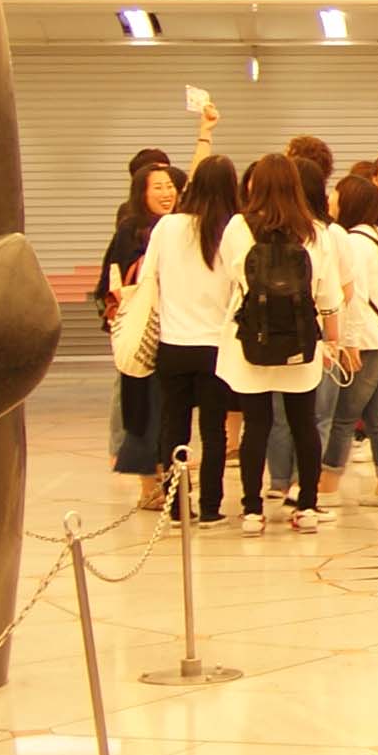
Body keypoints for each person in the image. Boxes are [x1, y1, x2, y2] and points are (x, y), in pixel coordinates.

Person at [223, 152, 341, 535]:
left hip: (252, 341)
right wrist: (333, 339)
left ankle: (252, 511)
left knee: (256, 425)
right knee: (304, 423)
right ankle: (306, 506)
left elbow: (231, 277)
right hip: (300, 341)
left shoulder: (239, 226)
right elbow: (328, 294)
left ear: (255, 184)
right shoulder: (315, 230)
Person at [136, 153, 241, 525]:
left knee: (173, 425)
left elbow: (147, 277)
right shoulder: (232, 229)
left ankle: (177, 505)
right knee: (213, 431)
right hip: (216, 346)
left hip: (173, 342)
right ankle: (211, 507)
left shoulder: (168, 226)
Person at [263, 154, 355, 518]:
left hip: (275, 335)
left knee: (279, 414)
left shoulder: (269, 230)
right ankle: (302, 485)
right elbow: (345, 290)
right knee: (316, 416)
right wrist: (336, 336)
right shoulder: (329, 233)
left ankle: (278, 481)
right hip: (318, 337)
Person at [100, 157, 183, 508]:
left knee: (170, 409)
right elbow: (113, 280)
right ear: (142, 193)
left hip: (176, 329)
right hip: (143, 330)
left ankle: (168, 477)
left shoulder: (180, 226)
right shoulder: (131, 229)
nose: (166, 193)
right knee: (143, 408)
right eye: (158, 187)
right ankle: (148, 486)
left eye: (170, 186)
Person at [326, 172, 378, 509]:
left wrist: (349, 341)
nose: (331, 198)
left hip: (367, 343)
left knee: (343, 417)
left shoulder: (353, 243)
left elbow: (353, 297)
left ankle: (327, 485)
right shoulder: (376, 236)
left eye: (337, 193)